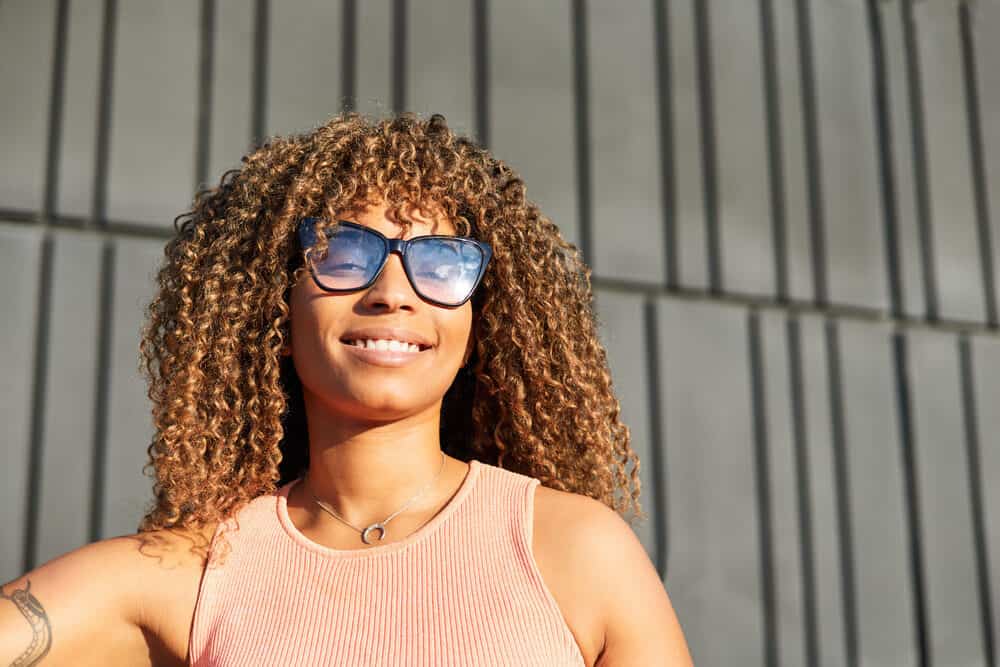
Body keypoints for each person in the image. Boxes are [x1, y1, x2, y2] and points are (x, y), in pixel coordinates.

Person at [0, 112, 694, 666]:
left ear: (483, 319)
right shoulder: (199, 573)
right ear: (273, 300)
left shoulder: (577, 551)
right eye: (342, 253)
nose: (393, 292)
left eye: (442, 262)